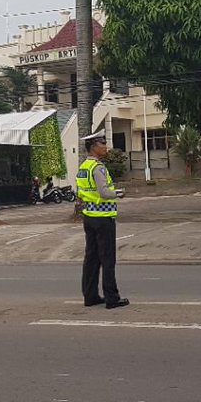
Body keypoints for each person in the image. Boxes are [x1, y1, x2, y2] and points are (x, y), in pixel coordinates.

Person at [75, 131, 128, 309]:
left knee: (91, 258)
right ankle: (112, 298)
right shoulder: (98, 167)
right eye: (102, 143)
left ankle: (90, 296)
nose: (105, 146)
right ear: (93, 147)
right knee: (107, 259)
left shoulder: (84, 167)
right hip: (103, 217)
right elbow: (104, 193)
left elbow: (82, 193)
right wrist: (119, 193)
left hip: (89, 217)